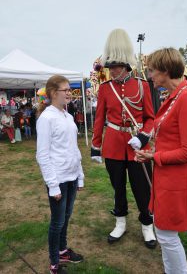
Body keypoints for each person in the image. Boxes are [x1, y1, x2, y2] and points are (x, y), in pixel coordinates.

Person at [135, 48, 187, 274]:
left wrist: (155, 155)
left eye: (152, 70)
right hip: (166, 178)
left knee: (165, 234)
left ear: (164, 70)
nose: (149, 75)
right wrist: (152, 149)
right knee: (164, 233)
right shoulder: (175, 96)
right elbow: (170, 138)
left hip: (176, 181)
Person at [91, 29, 156, 249]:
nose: (112, 71)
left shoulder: (142, 85)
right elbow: (99, 119)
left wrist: (143, 138)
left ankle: (147, 224)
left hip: (137, 147)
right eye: (110, 67)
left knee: (142, 188)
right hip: (113, 147)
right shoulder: (105, 89)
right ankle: (120, 221)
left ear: (125, 66)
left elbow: (150, 118)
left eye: (115, 67)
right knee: (117, 186)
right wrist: (95, 146)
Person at [36, 75, 84, 274]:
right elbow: (42, 154)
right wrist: (53, 185)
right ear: (54, 93)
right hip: (58, 180)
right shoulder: (46, 118)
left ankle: (63, 250)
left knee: (66, 217)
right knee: (57, 222)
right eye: (66, 90)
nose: (69, 93)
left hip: (71, 176)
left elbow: (73, 148)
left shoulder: (67, 115)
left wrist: (79, 174)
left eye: (69, 90)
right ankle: (54, 263)